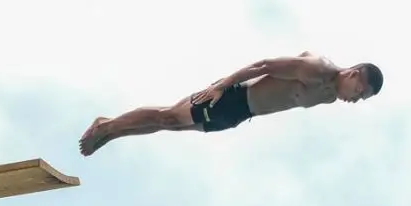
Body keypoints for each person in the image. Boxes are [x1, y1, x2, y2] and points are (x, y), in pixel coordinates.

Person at [78, 53, 382, 156]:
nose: (354, 100)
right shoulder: (318, 70)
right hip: (233, 96)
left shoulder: (330, 94)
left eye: (360, 99)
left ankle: (111, 130)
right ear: (353, 73)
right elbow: (264, 65)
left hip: (240, 114)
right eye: (359, 91)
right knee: (168, 117)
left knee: (169, 126)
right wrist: (221, 86)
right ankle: (106, 126)